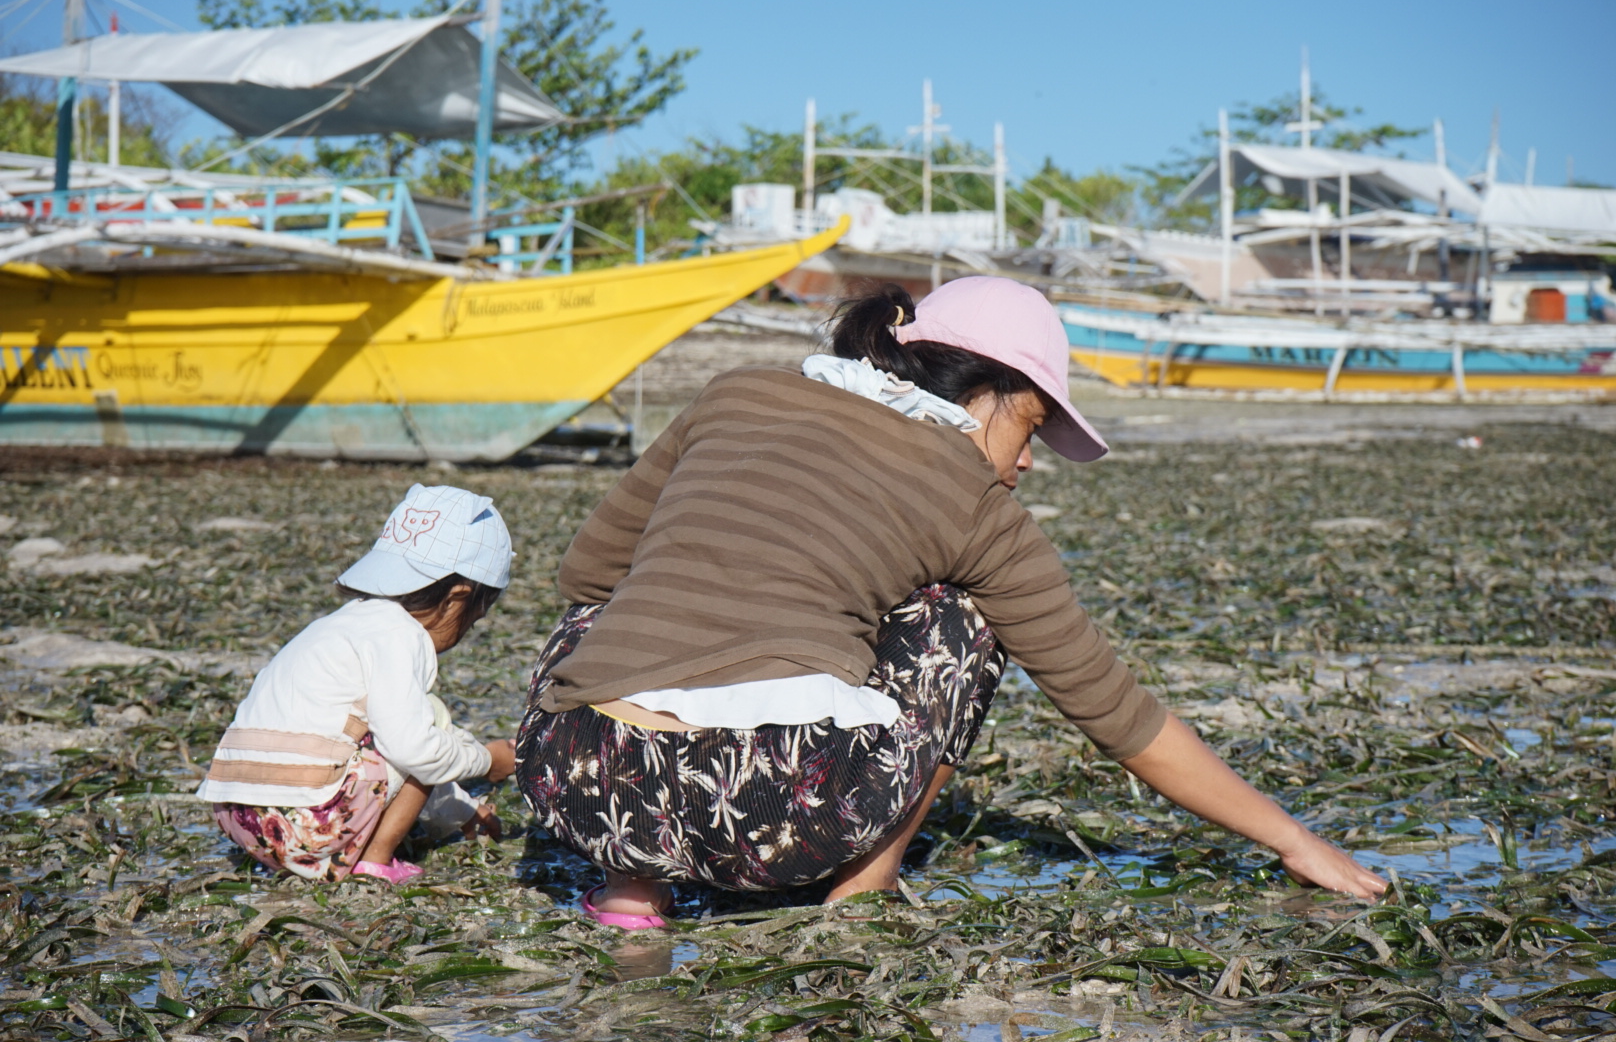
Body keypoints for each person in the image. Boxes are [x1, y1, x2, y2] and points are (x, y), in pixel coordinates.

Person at [515, 277, 1386, 927]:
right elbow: (1118, 719)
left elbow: (588, 574)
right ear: (987, 393)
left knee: (611, 611)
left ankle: (633, 888)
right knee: (957, 615)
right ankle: (864, 886)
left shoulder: (737, 390)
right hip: (778, 821)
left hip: (577, 787)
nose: (1028, 460)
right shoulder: (978, 501)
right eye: (1032, 427)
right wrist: (1290, 839)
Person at [199, 484, 518, 884]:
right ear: (457, 598)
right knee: (431, 719)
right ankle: (375, 862)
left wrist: (459, 808)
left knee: (399, 729)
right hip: (309, 827)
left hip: (239, 820)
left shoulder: (339, 625)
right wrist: (487, 761)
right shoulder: (401, 635)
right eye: (475, 619)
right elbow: (413, 750)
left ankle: (345, 850)